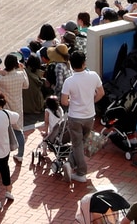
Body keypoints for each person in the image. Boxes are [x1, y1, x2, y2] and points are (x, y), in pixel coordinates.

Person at [59, 51, 104, 183]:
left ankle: (80, 171)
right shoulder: (93, 76)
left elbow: (64, 101)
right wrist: (90, 101)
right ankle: (71, 164)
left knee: (77, 144)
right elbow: (101, 93)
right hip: (90, 116)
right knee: (83, 142)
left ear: (71, 65)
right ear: (84, 63)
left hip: (75, 117)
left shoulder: (69, 81)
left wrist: (73, 102)